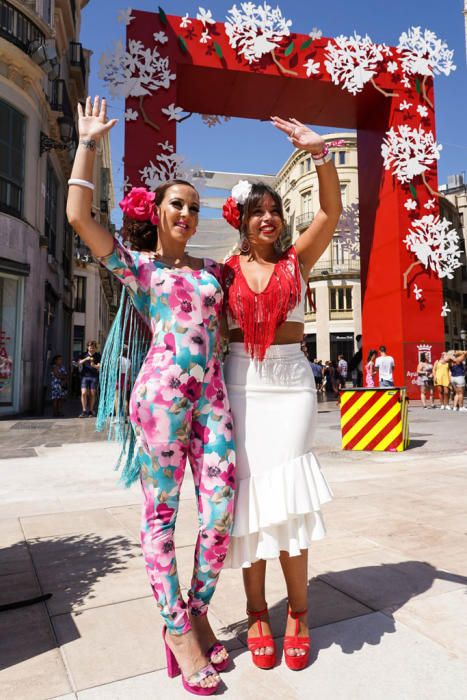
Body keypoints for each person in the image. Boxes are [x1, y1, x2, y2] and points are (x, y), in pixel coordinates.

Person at [66, 96, 235, 695]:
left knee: (219, 512)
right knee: (161, 515)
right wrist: (88, 142)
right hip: (161, 399)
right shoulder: (138, 269)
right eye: (178, 205)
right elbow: (79, 218)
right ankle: (178, 630)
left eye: (193, 206)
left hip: (212, 399)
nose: (187, 213)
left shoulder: (215, 272)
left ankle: (195, 607)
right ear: (159, 214)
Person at [221, 116, 341, 671]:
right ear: (242, 220)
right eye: (258, 212)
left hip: (291, 383)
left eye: (275, 211)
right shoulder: (223, 271)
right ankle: (253, 612)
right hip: (242, 382)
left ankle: (298, 610)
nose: (268, 218)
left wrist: (319, 154)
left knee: (288, 497)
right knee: (250, 500)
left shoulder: (298, 261)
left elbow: (331, 213)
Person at [77, 340, 101, 417]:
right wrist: (85, 359)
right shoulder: (83, 354)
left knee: (92, 393)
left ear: (95, 348)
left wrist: (94, 365)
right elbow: (78, 363)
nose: (91, 349)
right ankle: (84, 410)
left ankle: (91, 410)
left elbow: (100, 366)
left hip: (94, 376)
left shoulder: (98, 355)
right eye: (90, 347)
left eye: (93, 348)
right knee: (83, 393)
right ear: (87, 347)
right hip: (84, 376)